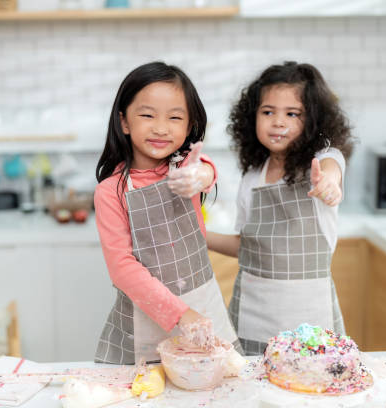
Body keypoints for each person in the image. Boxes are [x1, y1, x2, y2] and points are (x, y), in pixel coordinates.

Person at [94, 61, 241, 364]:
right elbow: (122, 268)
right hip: (145, 318)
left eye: (174, 118)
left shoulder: (185, 169)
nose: (161, 128)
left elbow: (204, 170)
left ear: (189, 127)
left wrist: (199, 177)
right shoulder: (110, 191)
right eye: (147, 115)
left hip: (203, 307)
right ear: (124, 122)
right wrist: (181, 314)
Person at [207, 61, 355, 355]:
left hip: (310, 322)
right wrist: (199, 235)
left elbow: (331, 169)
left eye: (292, 113)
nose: (278, 121)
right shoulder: (252, 177)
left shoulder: (323, 162)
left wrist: (328, 183)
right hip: (252, 315)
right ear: (252, 118)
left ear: (313, 120)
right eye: (268, 112)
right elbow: (245, 245)